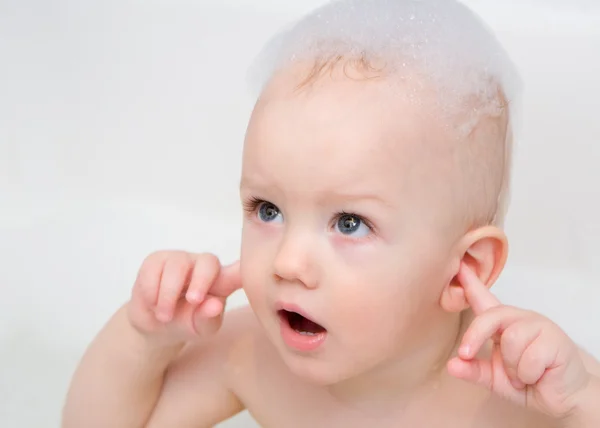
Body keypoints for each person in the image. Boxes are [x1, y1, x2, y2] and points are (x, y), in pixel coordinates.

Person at [62, 0, 600, 426]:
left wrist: (581, 404)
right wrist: (143, 338)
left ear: (468, 271)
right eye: (267, 209)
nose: (288, 263)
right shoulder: (252, 355)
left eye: (349, 223)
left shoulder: (519, 392)